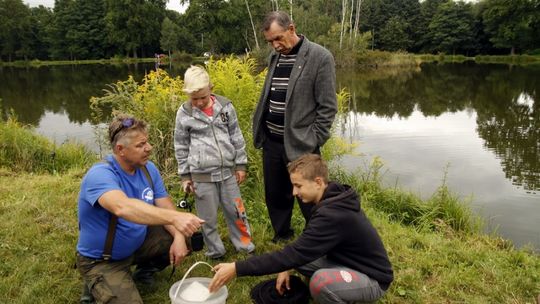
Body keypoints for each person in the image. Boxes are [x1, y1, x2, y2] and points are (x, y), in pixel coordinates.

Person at [209, 154, 393, 304]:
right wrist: (286, 267)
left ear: (318, 182)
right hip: (346, 262)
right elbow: (299, 250)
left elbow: (294, 253)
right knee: (298, 259)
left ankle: (343, 295)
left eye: (298, 186)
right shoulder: (331, 196)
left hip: (373, 279)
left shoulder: (333, 215)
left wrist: (236, 268)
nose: (294, 193)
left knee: (320, 283)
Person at [76, 115, 204, 303]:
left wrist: (178, 236)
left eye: (147, 142)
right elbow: (122, 207)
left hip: (135, 244)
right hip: (103, 259)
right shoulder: (100, 175)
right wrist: (175, 219)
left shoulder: (147, 169)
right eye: (140, 145)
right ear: (120, 150)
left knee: (188, 234)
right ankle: (94, 284)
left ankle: (143, 273)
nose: (149, 148)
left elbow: (165, 206)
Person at [252, 11, 338, 242]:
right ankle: (282, 235)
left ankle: (319, 238)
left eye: (278, 38)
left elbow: (328, 107)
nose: (275, 45)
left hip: (302, 143)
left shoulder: (320, 57)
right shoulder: (275, 57)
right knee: (276, 194)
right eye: (270, 41)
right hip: (272, 141)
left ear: (292, 28)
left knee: (310, 196)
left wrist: (314, 140)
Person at [174, 65, 255, 259]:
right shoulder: (184, 114)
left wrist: (240, 164)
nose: (200, 102)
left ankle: (245, 247)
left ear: (211, 87)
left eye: (203, 97)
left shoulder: (226, 107)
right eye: (194, 99)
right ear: (188, 95)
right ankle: (215, 251)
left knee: (237, 211)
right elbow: (180, 145)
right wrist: (185, 176)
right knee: (206, 219)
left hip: (228, 174)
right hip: (201, 178)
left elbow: (236, 136)